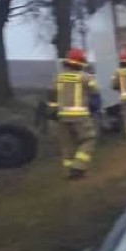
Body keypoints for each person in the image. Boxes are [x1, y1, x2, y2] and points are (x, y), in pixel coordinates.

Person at [48, 48, 98, 179]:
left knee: (67, 145)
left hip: (62, 117)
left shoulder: (58, 78)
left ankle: (69, 172)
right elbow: (95, 91)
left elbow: (52, 95)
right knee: (88, 139)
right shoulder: (85, 77)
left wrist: (53, 111)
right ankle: (79, 166)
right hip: (80, 116)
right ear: (80, 62)